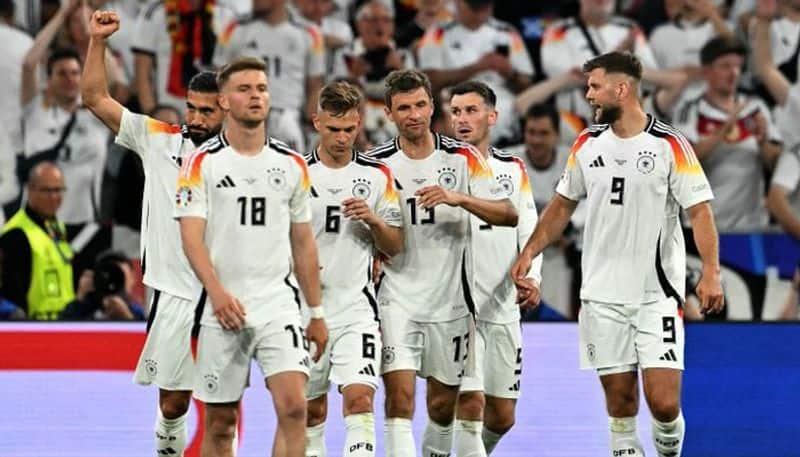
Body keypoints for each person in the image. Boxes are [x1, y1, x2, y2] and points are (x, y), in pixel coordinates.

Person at [511, 52, 724, 457]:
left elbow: (699, 211)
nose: (588, 95)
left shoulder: (669, 144)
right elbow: (562, 205)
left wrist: (711, 272)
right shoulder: (586, 144)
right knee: (621, 405)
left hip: (655, 296)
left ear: (621, 89)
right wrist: (530, 250)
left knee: (664, 404)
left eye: (595, 86)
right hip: (600, 296)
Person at [80, 10, 225, 456]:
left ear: (228, 110)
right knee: (173, 402)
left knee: (223, 407)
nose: (196, 118)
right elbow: (94, 97)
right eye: (192, 107)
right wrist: (98, 41)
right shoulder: (158, 139)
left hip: (225, 294)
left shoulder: (247, 157)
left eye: (207, 110)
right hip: (172, 291)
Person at [175, 57, 328, 457]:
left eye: (261, 88)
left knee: (295, 408)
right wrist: (217, 294)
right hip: (222, 308)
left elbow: (303, 243)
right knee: (221, 423)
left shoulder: (291, 164)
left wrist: (316, 311)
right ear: (224, 101)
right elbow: (191, 238)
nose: (256, 96)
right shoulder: (201, 163)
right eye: (244, 89)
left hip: (278, 304)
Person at [368, 69, 517, 457]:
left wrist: (460, 198)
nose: (414, 115)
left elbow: (508, 213)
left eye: (420, 105)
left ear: (433, 106)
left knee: (441, 407)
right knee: (399, 400)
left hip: (452, 304)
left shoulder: (464, 157)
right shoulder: (377, 165)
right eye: (404, 108)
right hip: (397, 299)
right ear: (388, 113)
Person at [303, 81, 403, 457]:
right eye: (333, 129)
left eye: (349, 129)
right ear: (317, 122)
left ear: (359, 123)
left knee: (360, 400)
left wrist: (374, 221)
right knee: (311, 411)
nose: (342, 138)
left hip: (356, 309)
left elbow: (395, 245)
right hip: (305, 311)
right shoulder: (296, 174)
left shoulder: (377, 176)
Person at [448, 80, 541, 456]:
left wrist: (531, 278)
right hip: (457, 307)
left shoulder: (513, 169)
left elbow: (530, 231)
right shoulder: (440, 166)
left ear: (492, 116)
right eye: (455, 112)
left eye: (471, 111)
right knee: (470, 404)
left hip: (501, 305)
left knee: (502, 416)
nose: (462, 119)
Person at [673, 36, 782, 232]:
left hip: (751, 226)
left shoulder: (755, 108)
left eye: (738, 67)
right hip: (703, 227)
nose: (734, 73)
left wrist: (763, 142)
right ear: (706, 72)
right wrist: (725, 127)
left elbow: (776, 165)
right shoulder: (690, 110)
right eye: (725, 66)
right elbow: (683, 163)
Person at [20, 0, 109, 225]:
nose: (69, 79)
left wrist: (93, 34)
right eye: (61, 73)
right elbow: (29, 64)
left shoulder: (97, 114)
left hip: (86, 226)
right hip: (39, 222)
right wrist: (62, 14)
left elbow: (119, 84)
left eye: (75, 73)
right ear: (48, 80)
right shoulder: (36, 112)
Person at [213, 0, 325, 152]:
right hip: (242, 116)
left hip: (287, 118)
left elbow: (315, 86)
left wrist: (309, 126)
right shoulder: (234, 28)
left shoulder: (309, 32)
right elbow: (219, 79)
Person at [418, 0, 534, 145]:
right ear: (458, 3)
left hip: (501, 106)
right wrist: (477, 67)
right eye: (475, 7)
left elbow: (527, 83)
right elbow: (428, 80)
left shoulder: (507, 32)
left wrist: (510, 72)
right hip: (455, 104)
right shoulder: (438, 32)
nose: (481, 12)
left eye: (485, 6)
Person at [0, 162, 74, 320]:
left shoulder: (57, 228)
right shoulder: (15, 234)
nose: (54, 197)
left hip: (65, 325)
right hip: (34, 328)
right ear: (30, 190)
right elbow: (12, 298)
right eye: (47, 190)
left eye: (58, 190)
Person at [132, 0, 235, 113]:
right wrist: (151, 115)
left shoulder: (225, 13)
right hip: (167, 109)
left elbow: (230, 71)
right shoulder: (156, 12)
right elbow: (142, 71)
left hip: (211, 109)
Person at [60, 250, 146, 320]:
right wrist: (80, 298)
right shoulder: (85, 308)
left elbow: (144, 333)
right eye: (110, 276)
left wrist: (127, 318)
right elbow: (63, 329)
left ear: (132, 279)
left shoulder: (137, 312)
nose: (113, 281)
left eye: (119, 276)